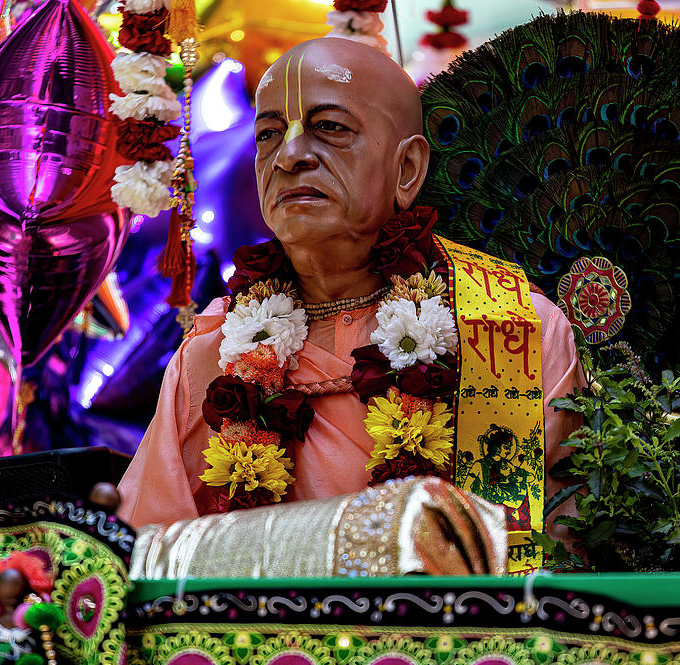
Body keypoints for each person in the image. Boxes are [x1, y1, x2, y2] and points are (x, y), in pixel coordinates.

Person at [118, 37, 583, 544]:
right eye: (269, 134)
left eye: (330, 128)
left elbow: (529, 556)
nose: (289, 156)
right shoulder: (213, 352)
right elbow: (151, 551)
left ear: (406, 169)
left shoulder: (505, 329)